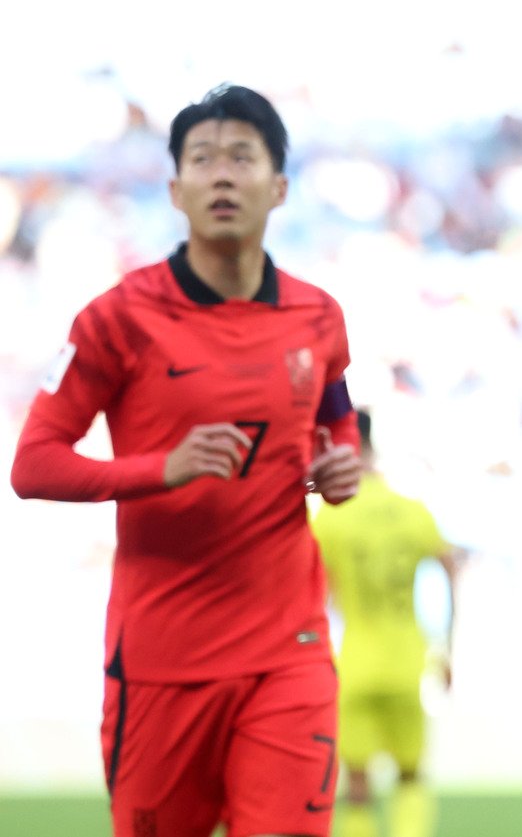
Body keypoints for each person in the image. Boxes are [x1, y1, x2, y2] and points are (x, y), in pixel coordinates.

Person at [9, 84, 362, 837]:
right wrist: (156, 469)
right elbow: (32, 465)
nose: (223, 175)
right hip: (162, 665)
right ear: (175, 189)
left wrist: (342, 468)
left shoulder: (319, 316)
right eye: (203, 158)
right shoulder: (115, 319)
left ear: (280, 185)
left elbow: (336, 419)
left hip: (287, 654)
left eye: (243, 156)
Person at [311, 408, 466, 837]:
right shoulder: (411, 510)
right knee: (411, 775)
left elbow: (314, 594)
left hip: (354, 662)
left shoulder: (329, 517)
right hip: (407, 661)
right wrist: (447, 647)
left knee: (357, 786)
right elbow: (450, 567)